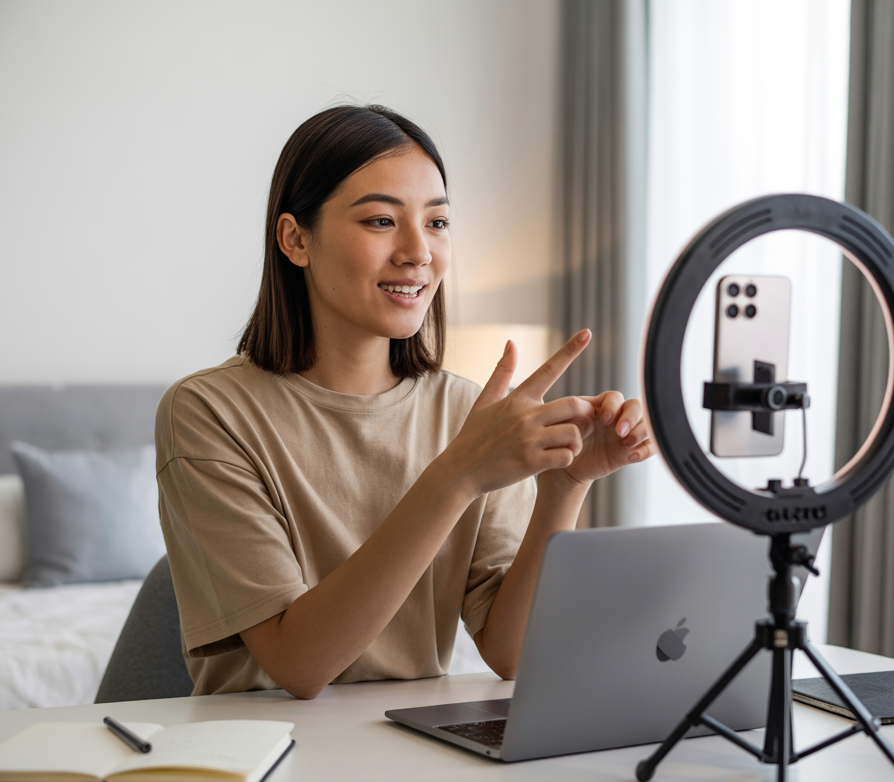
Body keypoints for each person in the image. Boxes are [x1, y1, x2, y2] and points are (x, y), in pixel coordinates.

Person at [156, 104, 653, 699]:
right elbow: (299, 664)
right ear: (295, 239)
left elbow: (512, 651)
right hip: (267, 763)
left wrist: (566, 487)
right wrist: (458, 474)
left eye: (438, 223)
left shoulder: (470, 415)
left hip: (415, 757)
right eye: (380, 221)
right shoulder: (209, 413)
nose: (419, 251)